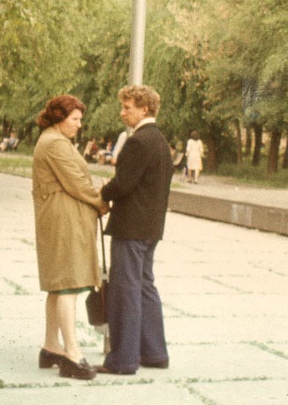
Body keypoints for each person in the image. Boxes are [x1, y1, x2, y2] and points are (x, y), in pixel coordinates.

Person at [97, 84, 174, 374]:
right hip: (152, 227)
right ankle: (154, 353)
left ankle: (123, 359)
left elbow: (123, 184)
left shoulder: (138, 142)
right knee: (144, 287)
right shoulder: (161, 142)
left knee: (125, 291)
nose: (122, 112)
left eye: (127, 107)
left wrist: (102, 195)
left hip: (131, 228)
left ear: (144, 109)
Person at [31, 94, 108, 381]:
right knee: (68, 285)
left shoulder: (52, 140)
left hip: (60, 218)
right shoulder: (55, 144)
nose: (79, 124)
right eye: (75, 119)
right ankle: (72, 355)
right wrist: (102, 201)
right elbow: (77, 182)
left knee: (58, 286)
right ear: (60, 118)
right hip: (63, 220)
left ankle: (51, 347)